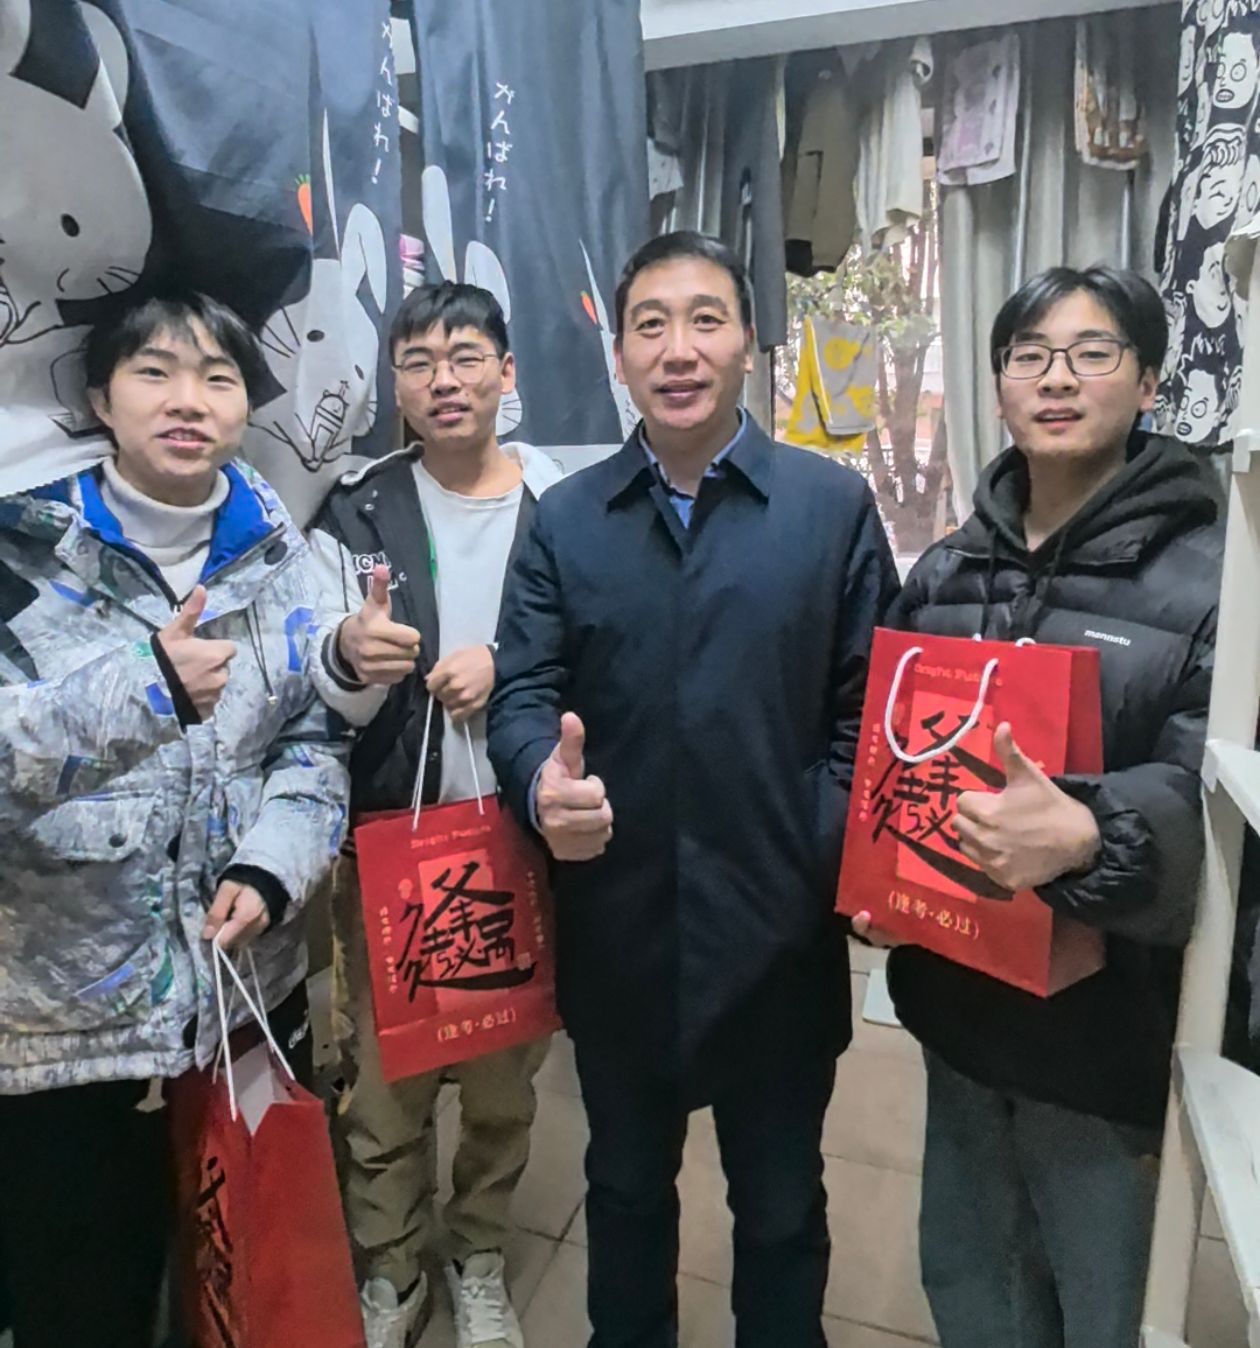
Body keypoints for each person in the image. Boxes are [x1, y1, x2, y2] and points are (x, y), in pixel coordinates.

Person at [486, 231, 899, 1348]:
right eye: (651, 325)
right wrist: (538, 784)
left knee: (780, 1205)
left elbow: (870, 716)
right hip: (621, 931)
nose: (679, 349)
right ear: (619, 354)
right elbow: (522, 691)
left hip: (778, 936)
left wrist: (814, 851)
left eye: (706, 319)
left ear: (748, 343)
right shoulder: (567, 517)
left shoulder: (829, 508)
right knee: (623, 1194)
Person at [0, 290, 373, 1347]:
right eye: (154, 372)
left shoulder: (280, 553)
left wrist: (271, 868)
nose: (187, 400)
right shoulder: (20, 550)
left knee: (235, 1287)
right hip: (70, 1030)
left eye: (217, 377)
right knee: (83, 1300)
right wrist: (144, 689)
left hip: (240, 997)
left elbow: (312, 743)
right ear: (98, 398)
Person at [858, 266, 1222, 1347]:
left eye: (1092, 352)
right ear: (1000, 384)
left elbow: (1213, 790)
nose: (1057, 378)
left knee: (1104, 1302)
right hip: (958, 1006)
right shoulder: (947, 572)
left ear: (1148, 382)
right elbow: (895, 758)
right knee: (974, 1282)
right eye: (1029, 355)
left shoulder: (1217, 581)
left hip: (1106, 1039)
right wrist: (876, 876)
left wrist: (1094, 833)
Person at [308, 281, 563, 1348]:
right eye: (417, 361)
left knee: (503, 1082)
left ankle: (479, 1254)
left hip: (518, 843)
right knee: (386, 1087)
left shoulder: (562, 506)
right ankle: (392, 1268)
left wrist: (505, 664)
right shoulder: (357, 509)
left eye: (465, 356)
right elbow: (314, 683)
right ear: (396, 386)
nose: (442, 380)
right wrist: (347, 656)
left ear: (507, 370)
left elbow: (609, 650)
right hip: (392, 844)